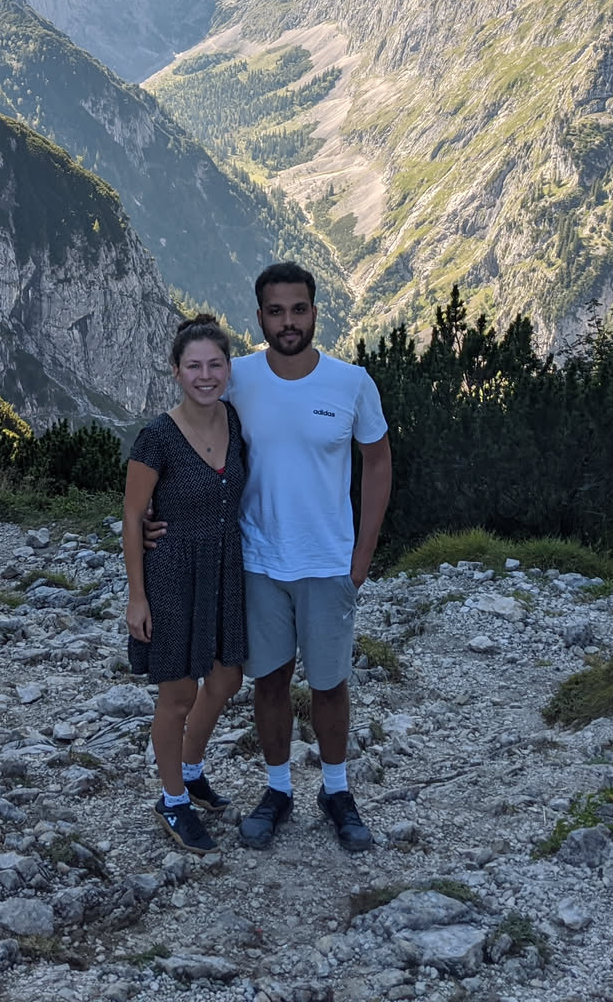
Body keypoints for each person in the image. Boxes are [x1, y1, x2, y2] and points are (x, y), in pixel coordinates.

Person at [150, 262, 393, 853]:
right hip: (257, 562)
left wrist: (362, 554)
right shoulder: (240, 378)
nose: (289, 322)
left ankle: (336, 790)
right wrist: (158, 509)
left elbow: (378, 461)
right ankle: (278, 789)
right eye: (276, 311)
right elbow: (191, 431)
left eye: (298, 310)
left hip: (328, 563)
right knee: (271, 681)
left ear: (315, 313)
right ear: (259, 317)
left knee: (330, 684)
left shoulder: (352, 382)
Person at [121, 314, 249, 855]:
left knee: (226, 679)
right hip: (172, 574)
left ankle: (191, 771)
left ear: (228, 368)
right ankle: (172, 799)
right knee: (178, 695)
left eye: (215, 364)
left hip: (224, 571)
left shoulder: (234, 421)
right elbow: (133, 517)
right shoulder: (157, 437)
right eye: (193, 366)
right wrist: (137, 597)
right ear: (175, 371)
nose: (205, 375)